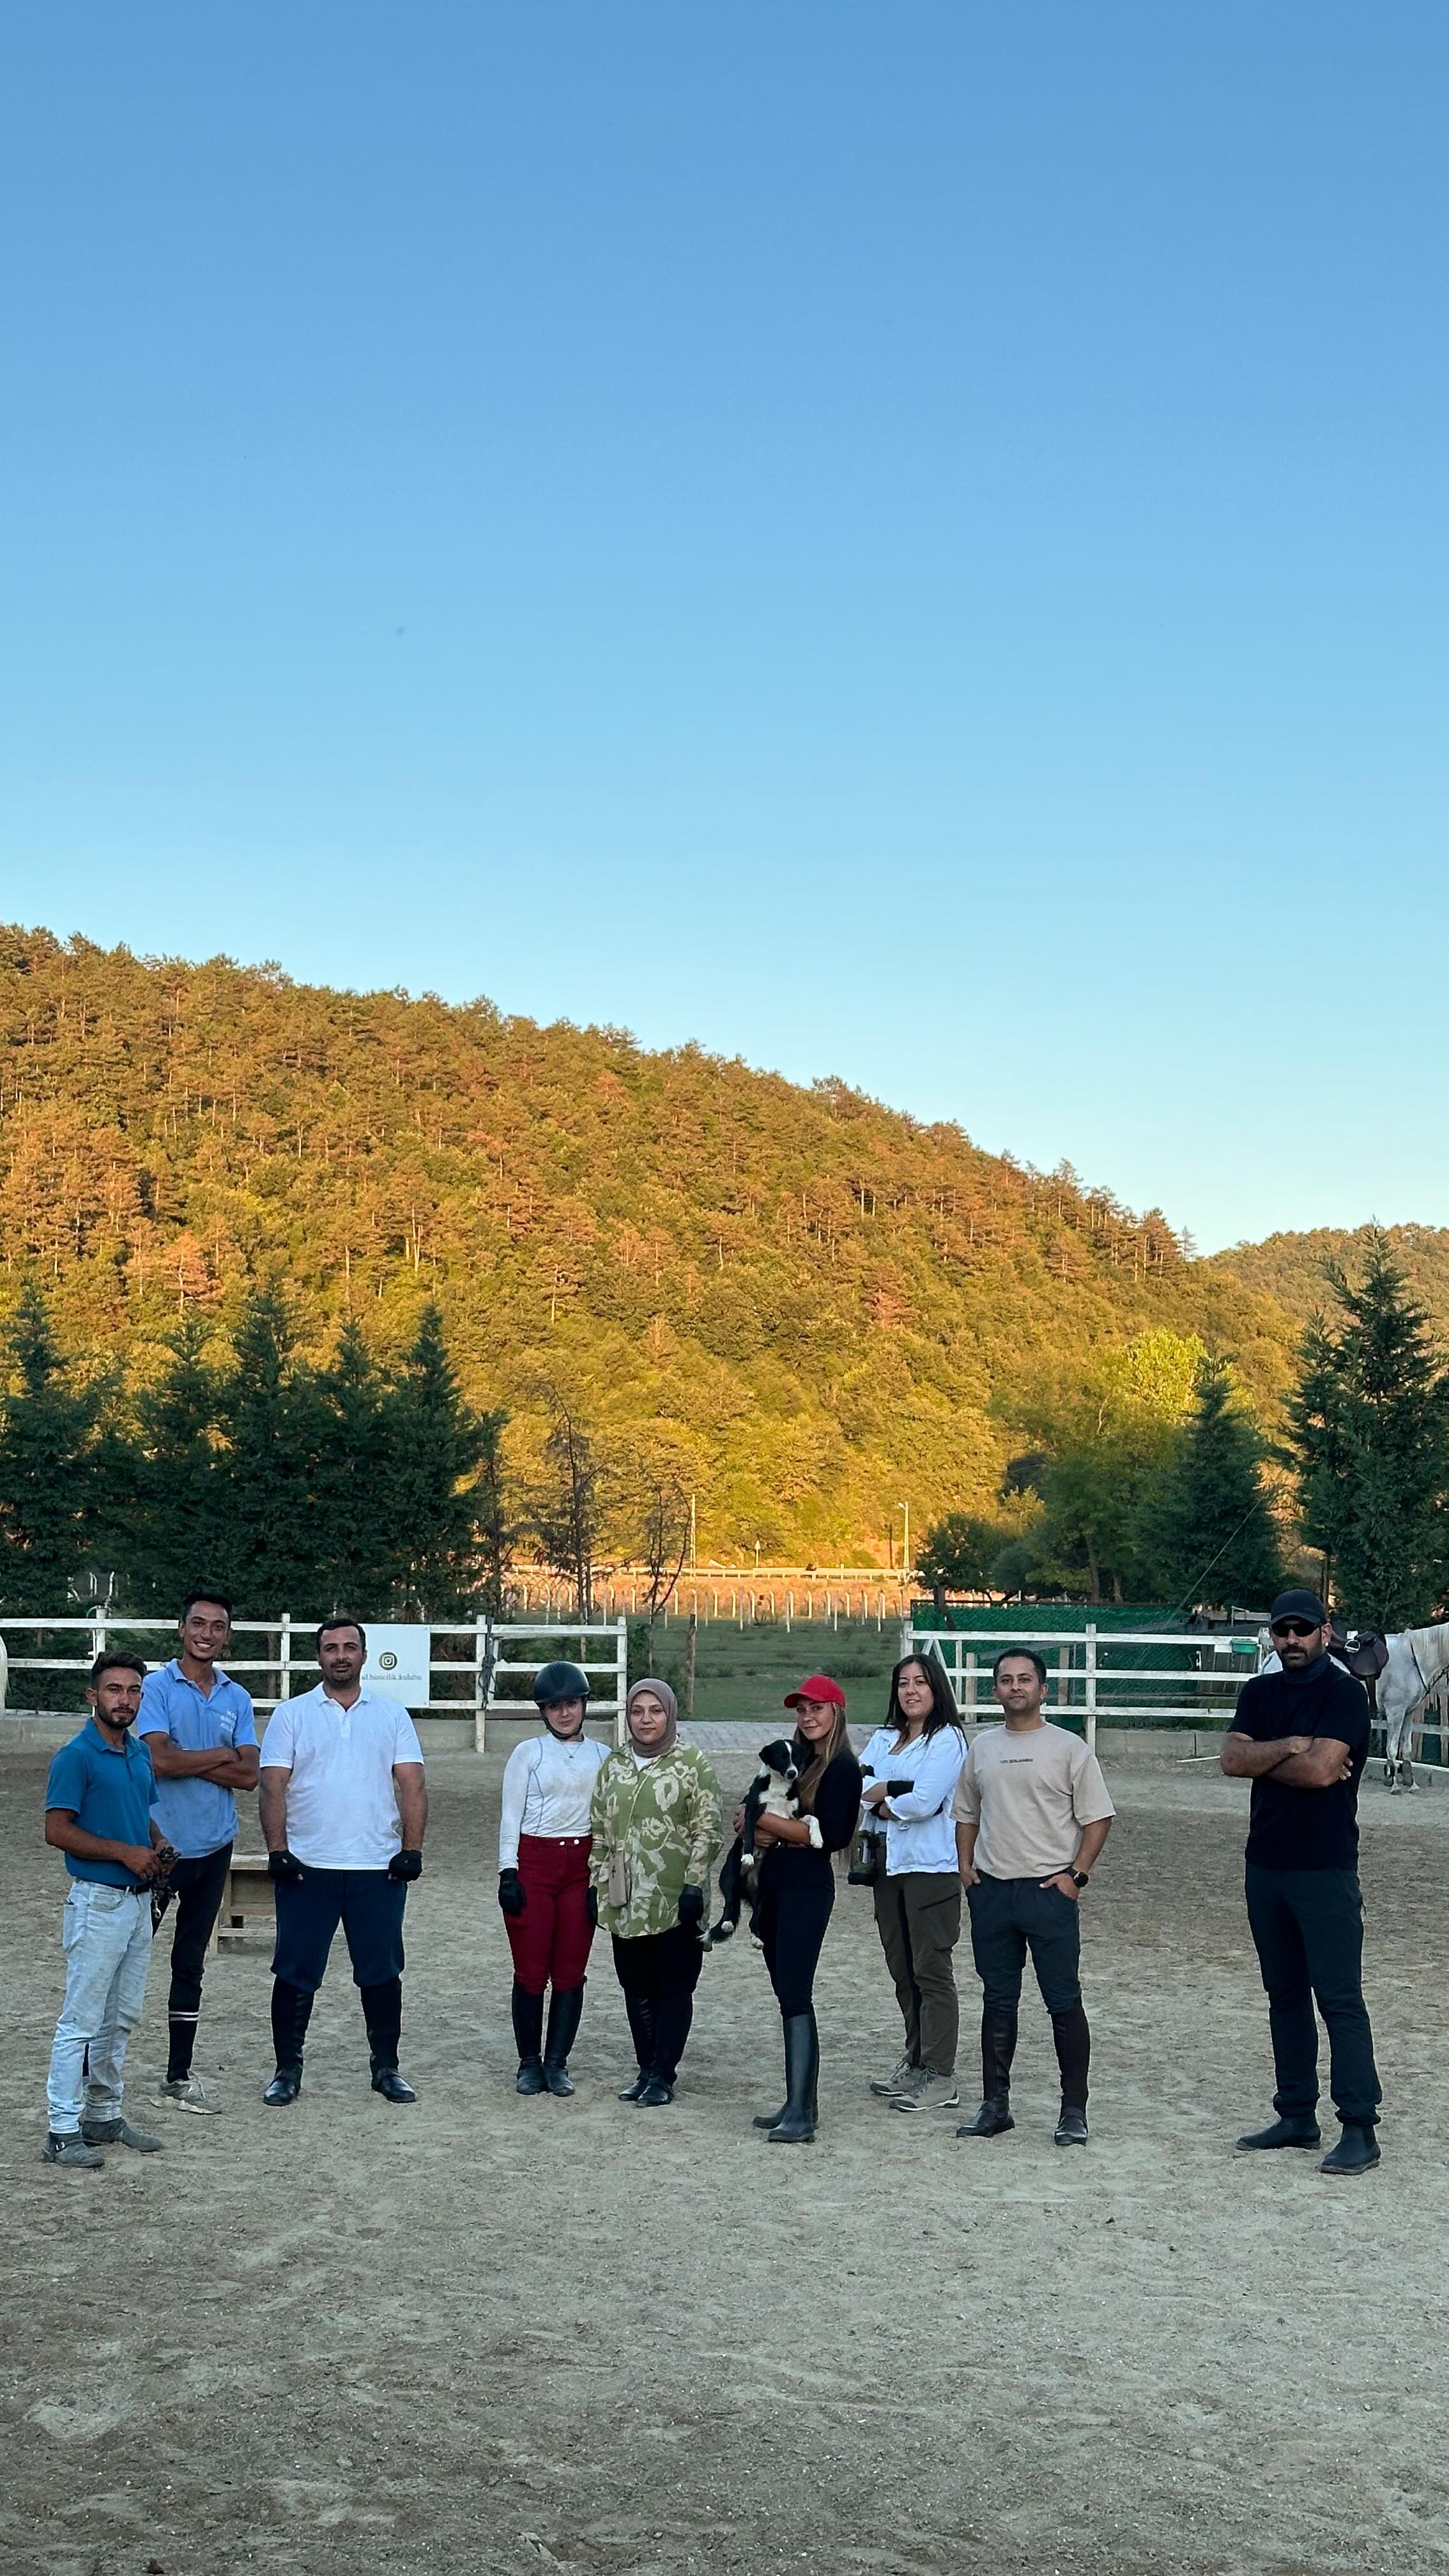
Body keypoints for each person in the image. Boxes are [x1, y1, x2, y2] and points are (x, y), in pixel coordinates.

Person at [1221, 1587, 1381, 2176]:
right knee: (1284, 1995)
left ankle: (1360, 2127)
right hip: (1265, 1864)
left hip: (1325, 1866)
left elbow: (1322, 1772)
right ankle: (1296, 2114)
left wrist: (1267, 1753)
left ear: (1324, 1631)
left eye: (1303, 1629)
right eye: (1282, 1630)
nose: (1291, 1639)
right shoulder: (1259, 1691)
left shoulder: (1343, 1693)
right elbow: (1231, 1760)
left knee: (1338, 1999)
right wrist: (1292, 1745)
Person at [258, 1614, 428, 2108]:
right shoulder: (292, 1715)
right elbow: (273, 1784)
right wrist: (277, 1850)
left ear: (364, 1655)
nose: (340, 1656)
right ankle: (287, 2070)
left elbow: (412, 1783)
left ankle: (387, 2068)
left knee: (381, 1971)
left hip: (377, 1866)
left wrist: (412, 1849)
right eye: (330, 1648)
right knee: (294, 1970)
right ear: (319, 1657)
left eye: (349, 1647)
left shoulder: (392, 1715)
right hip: (308, 1866)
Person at [953, 1648, 1114, 2147]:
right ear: (995, 1690)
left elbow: (1098, 1817)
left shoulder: (1069, 1749)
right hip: (993, 1891)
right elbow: (966, 1812)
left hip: (1050, 1891)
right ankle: (995, 2105)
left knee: (1062, 2001)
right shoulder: (982, 1748)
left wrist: (1076, 1875)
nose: (1015, 1687)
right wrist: (966, 1867)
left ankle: (1073, 2110)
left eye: (1025, 1680)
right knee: (998, 2001)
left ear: (1043, 1690)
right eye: (1005, 1680)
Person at [40, 1650, 173, 2168]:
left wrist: (159, 1845)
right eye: (115, 1690)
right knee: (80, 2020)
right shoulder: (76, 1756)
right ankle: (60, 2128)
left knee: (120, 2018)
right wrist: (125, 1852)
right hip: (98, 1901)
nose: (125, 1699)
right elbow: (57, 1830)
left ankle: (103, 2113)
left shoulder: (138, 1753)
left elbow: (144, 1816)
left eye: (134, 1690)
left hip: (138, 1902)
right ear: (94, 1696)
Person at [137, 1587, 259, 2115]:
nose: (207, 1634)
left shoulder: (236, 1696)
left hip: (213, 1850)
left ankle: (178, 2074)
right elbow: (158, 1761)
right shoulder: (157, 1688)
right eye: (198, 1624)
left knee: (190, 1964)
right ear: (182, 1628)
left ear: (227, 1635)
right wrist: (220, 1757)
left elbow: (251, 1776)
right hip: (159, 1851)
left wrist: (189, 1758)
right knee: (126, 1958)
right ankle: (94, 2069)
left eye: (217, 1626)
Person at [589, 1679, 721, 2107]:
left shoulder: (692, 1763)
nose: (646, 1720)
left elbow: (708, 1828)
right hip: (625, 1895)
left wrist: (694, 1883)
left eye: (655, 1711)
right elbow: (598, 1829)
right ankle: (645, 2069)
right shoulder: (613, 1765)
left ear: (669, 1713)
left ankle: (664, 2073)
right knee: (635, 1984)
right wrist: (597, 1882)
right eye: (637, 1711)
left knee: (673, 1986)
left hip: (675, 1894)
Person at [749, 1674, 863, 2145]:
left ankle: (801, 2110)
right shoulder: (792, 1761)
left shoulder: (842, 1768)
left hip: (806, 1890)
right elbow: (748, 1810)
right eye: (801, 1710)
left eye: (817, 1708)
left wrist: (767, 1822)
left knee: (796, 1991)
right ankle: (800, 2101)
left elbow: (834, 1835)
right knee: (784, 1990)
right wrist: (758, 1824)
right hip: (773, 1885)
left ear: (836, 1713)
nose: (808, 1717)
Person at [859, 1654, 967, 2115]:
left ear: (936, 1688)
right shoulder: (885, 1738)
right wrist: (891, 1789)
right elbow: (857, 1784)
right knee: (902, 1968)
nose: (911, 1691)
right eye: (902, 1683)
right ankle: (917, 2057)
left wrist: (885, 1795)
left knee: (931, 1968)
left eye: (920, 1682)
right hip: (887, 1866)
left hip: (930, 1866)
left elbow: (925, 1801)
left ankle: (941, 2073)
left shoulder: (949, 1740)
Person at [498, 1659, 608, 2097]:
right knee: (530, 1969)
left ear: (584, 1706)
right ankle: (529, 2061)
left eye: (572, 1705)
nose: (565, 1714)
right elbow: (511, 1814)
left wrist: (601, 1879)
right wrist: (509, 1871)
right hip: (535, 1863)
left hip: (581, 1866)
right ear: (543, 1711)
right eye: (555, 1706)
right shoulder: (528, 1753)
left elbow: (606, 1821)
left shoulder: (603, 1756)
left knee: (570, 1970)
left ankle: (558, 2062)